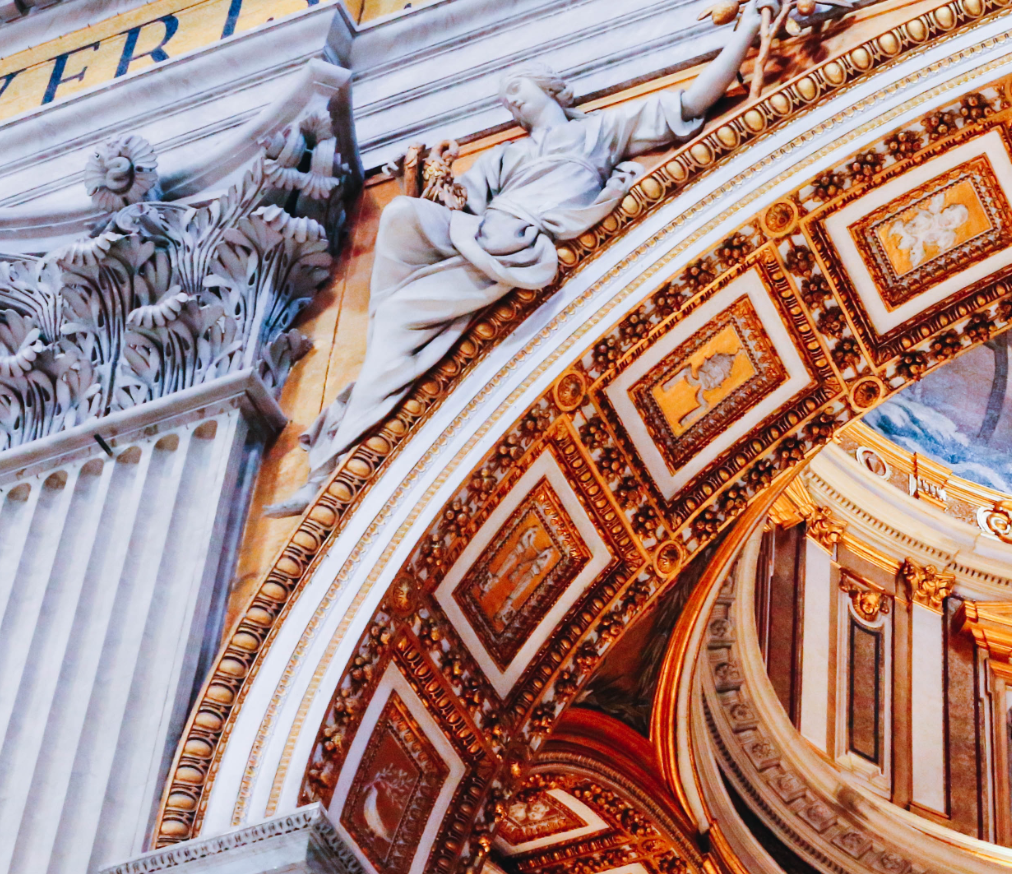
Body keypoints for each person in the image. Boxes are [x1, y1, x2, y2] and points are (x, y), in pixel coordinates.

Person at [293, 5, 774, 502]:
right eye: (507, 100)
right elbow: (461, 204)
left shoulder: (599, 132)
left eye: (517, 91)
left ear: (548, 87)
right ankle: (346, 441)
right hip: (483, 235)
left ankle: (337, 454)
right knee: (397, 218)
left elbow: (690, 103)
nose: (512, 103)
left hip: (524, 241)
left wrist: (747, 32)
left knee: (398, 315)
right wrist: (428, 179)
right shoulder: (507, 155)